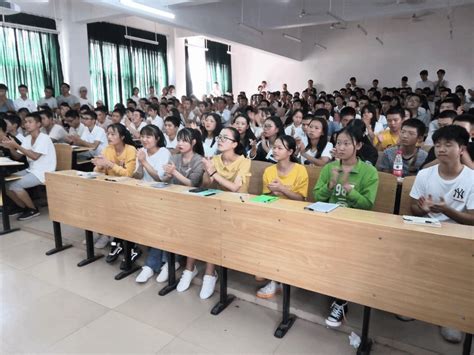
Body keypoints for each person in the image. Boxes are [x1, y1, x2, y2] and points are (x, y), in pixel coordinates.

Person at [409, 125, 473, 343]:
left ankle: (450, 316)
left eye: (448, 145)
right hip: (426, 228)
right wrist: (423, 209)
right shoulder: (425, 174)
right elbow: (413, 208)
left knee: (455, 271)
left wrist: (447, 211)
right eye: (437, 145)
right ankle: (411, 303)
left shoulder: (471, 179)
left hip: (459, 236)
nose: (441, 149)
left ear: (462, 148)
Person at [314, 124, 379, 328]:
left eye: (346, 143)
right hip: (329, 222)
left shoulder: (368, 171)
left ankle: (341, 302)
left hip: (355, 225)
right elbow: (317, 196)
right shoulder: (329, 168)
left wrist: (350, 191)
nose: (340, 148)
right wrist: (331, 185)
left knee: (345, 253)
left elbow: (368, 205)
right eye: (338, 143)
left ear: (358, 145)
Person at [184, 127, 251, 299]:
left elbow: (236, 188)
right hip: (217, 204)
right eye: (219, 137)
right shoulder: (214, 159)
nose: (220, 140)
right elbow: (207, 186)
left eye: (225, 138)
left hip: (238, 209)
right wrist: (207, 171)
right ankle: (189, 269)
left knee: (212, 229)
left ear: (235, 144)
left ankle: (209, 273)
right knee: (193, 224)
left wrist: (213, 171)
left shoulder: (244, 161)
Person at [143, 128, 206, 286]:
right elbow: (164, 178)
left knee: (174, 228)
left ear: (193, 142)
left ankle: (170, 262)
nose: (180, 143)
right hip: (173, 199)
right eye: (179, 140)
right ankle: (153, 264)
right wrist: (168, 174)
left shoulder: (199, 160)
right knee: (161, 226)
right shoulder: (175, 157)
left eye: (184, 140)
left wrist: (175, 173)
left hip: (192, 203)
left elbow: (193, 183)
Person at [257, 135, 309, 298]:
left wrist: (283, 189)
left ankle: (277, 279)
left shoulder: (300, 170)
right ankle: (269, 274)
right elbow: (267, 197)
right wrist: (275, 192)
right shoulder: (269, 171)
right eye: (274, 147)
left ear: (290, 151)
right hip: (273, 213)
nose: (275, 150)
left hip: (294, 216)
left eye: (280, 148)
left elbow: (301, 199)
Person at [92, 124, 139, 267]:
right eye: (108, 134)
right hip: (111, 189)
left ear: (122, 137)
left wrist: (110, 165)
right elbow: (98, 171)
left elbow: (128, 174)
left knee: (124, 219)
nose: (109, 137)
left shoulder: (131, 150)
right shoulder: (107, 149)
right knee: (111, 218)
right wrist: (99, 166)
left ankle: (130, 248)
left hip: (128, 191)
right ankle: (115, 244)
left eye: (113, 134)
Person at [2, 113, 56, 220]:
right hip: (32, 170)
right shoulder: (27, 138)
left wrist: (16, 145)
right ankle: (22, 207)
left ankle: (32, 209)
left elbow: (35, 156)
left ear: (38, 124)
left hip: (43, 172)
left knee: (15, 185)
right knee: (5, 182)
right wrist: (11, 148)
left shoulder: (44, 138)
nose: (26, 124)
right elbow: (18, 156)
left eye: (30, 122)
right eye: (25, 122)